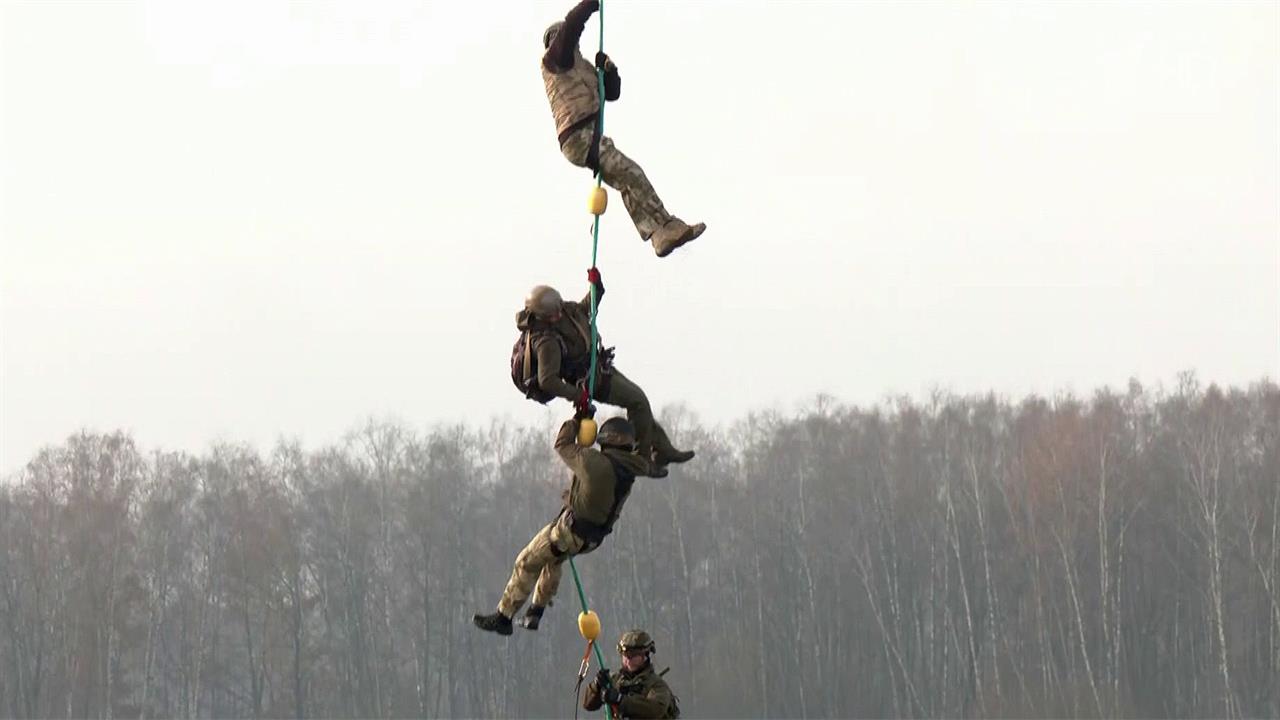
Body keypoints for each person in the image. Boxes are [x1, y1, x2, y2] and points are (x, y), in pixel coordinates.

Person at [542, 0, 706, 258]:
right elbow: (573, 24)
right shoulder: (555, 60)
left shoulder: (580, 67)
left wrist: (609, 72)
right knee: (631, 173)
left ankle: (659, 232)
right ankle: (664, 227)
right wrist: (590, 4)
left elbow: (611, 94)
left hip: (587, 136)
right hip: (578, 136)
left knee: (627, 179)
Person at [473, 416, 655, 635]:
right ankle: (535, 613)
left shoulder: (594, 462)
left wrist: (576, 421)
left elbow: (562, 445)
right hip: (591, 539)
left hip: (569, 531)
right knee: (553, 560)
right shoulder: (633, 467)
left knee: (526, 562)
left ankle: (503, 616)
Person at [511, 267, 694, 475]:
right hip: (593, 382)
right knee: (638, 401)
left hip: (601, 367)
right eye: (554, 314)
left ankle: (663, 450)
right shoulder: (545, 341)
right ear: (542, 316)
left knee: (639, 404)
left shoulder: (564, 311)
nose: (559, 315)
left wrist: (596, 286)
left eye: (559, 310)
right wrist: (578, 395)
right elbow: (547, 381)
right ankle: (643, 461)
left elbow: (585, 308)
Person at [583, 630, 680, 718]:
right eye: (625, 656)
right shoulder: (615, 680)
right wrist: (596, 686)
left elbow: (654, 709)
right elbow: (588, 705)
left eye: (633, 656)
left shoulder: (656, 685)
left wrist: (620, 700)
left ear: (645, 655)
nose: (628, 660)